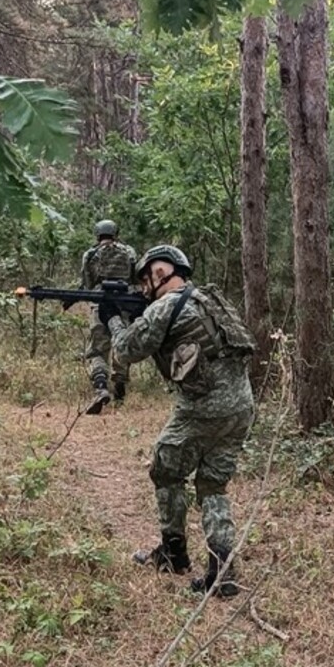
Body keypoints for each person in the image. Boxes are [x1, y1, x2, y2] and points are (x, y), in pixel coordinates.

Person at [112, 244, 255, 597]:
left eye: (147, 278)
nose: (145, 286)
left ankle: (173, 553)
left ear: (159, 274)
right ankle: (222, 574)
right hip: (241, 405)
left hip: (203, 407)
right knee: (212, 485)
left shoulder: (163, 307)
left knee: (165, 468)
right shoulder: (208, 299)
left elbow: (126, 350)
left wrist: (113, 321)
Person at [80, 220, 138, 414]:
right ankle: (120, 385)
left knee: (97, 349)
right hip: (123, 304)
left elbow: (87, 282)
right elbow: (135, 278)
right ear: (116, 233)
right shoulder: (129, 252)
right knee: (122, 343)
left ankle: (101, 386)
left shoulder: (90, 254)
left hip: (99, 302)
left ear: (97, 235)